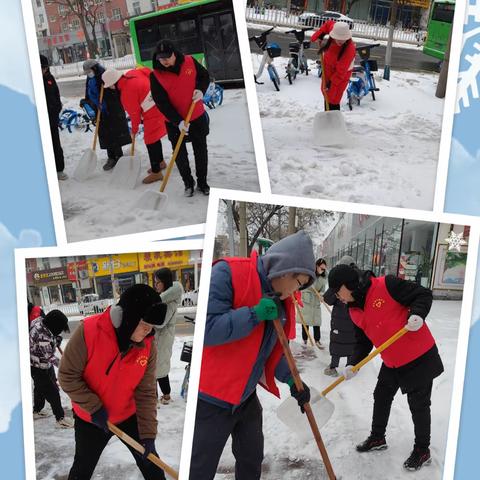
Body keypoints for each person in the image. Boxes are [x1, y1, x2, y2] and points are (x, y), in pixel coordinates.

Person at [190, 230, 316, 479]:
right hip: (210, 399)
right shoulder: (228, 273)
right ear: (284, 268)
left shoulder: (280, 301)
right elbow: (206, 328)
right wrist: (253, 314)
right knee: (200, 467)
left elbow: (273, 352)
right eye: (298, 283)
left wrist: (293, 379)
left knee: (251, 460)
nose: (294, 291)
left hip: (245, 398)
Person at [326, 263, 444, 471]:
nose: (337, 297)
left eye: (337, 292)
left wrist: (417, 313)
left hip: (418, 356)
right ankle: (377, 437)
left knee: (419, 404)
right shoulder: (353, 310)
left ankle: (422, 449)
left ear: (347, 285)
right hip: (392, 359)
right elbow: (362, 342)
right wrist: (353, 362)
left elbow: (423, 294)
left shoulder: (386, 285)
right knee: (381, 396)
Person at [58, 284, 168, 480]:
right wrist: (94, 407)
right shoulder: (89, 332)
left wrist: (148, 434)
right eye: (145, 324)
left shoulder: (147, 346)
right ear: (128, 317)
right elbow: (67, 376)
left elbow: (146, 392)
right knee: (81, 471)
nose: (149, 331)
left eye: (152, 326)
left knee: (152, 466)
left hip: (128, 415)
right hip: (91, 418)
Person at [150, 39, 211, 197]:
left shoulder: (190, 62)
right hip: (174, 122)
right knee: (179, 154)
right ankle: (188, 183)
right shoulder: (155, 75)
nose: (164, 61)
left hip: (196, 116)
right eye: (160, 58)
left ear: (174, 54)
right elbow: (161, 102)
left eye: (167, 57)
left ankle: (202, 182)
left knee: (200, 150)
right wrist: (177, 121)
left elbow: (204, 76)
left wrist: (201, 90)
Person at [101, 68, 168, 184]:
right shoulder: (132, 73)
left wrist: (134, 129)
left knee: (150, 140)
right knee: (155, 137)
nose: (111, 88)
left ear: (114, 84)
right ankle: (160, 162)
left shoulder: (126, 93)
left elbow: (134, 114)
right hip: (159, 104)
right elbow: (148, 71)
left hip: (152, 113)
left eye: (110, 86)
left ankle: (156, 172)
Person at [81, 59, 131, 171]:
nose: (88, 73)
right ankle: (111, 157)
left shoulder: (105, 76)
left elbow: (114, 93)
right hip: (99, 110)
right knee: (105, 135)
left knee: (115, 134)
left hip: (111, 110)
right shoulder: (90, 78)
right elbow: (88, 92)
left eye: (89, 71)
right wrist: (88, 102)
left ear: (94, 68)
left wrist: (105, 104)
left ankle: (118, 156)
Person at [29, 309, 73, 427]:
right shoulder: (42, 335)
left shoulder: (41, 321)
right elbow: (50, 357)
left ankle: (36, 410)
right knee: (52, 391)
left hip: (41, 364)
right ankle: (60, 419)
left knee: (40, 387)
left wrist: (55, 340)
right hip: (37, 366)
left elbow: (50, 338)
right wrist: (66, 366)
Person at [153, 268, 184, 404]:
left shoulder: (169, 301)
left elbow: (160, 322)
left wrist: (149, 320)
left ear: (164, 282)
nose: (156, 285)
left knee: (155, 370)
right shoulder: (165, 298)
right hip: (161, 339)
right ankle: (164, 396)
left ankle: (162, 398)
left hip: (162, 339)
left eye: (158, 282)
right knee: (159, 369)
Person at [322, 255, 357, 376]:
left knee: (337, 343)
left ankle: (333, 366)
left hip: (339, 321)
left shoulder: (338, 284)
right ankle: (351, 367)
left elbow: (327, 298)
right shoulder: (356, 282)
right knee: (351, 343)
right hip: (353, 320)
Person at [311, 21, 356, 111]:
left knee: (334, 98)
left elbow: (340, 72)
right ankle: (328, 115)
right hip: (329, 65)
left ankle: (333, 118)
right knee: (326, 93)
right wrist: (320, 34)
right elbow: (328, 25)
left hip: (342, 74)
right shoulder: (337, 28)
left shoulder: (349, 49)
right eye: (338, 38)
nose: (340, 41)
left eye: (343, 39)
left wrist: (330, 84)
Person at [40, 55, 67, 180]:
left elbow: (56, 94)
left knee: (56, 144)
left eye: (44, 68)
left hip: (52, 118)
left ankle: (59, 169)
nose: (43, 70)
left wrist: (57, 108)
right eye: (41, 68)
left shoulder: (50, 78)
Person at [299, 258, 327, 349]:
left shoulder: (323, 279)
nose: (323, 271)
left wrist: (321, 295)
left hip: (315, 302)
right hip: (307, 300)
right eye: (321, 268)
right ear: (316, 266)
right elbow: (302, 286)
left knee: (316, 322)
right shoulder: (309, 275)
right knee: (305, 321)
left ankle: (317, 340)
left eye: (324, 269)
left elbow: (323, 290)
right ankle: (305, 339)